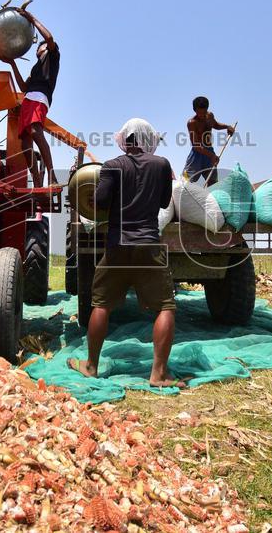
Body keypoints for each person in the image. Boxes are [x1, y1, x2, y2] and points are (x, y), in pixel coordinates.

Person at [67, 118, 183, 387]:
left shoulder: (111, 166)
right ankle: (158, 373)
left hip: (117, 245)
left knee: (101, 305)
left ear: (126, 140)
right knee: (165, 307)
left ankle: (91, 366)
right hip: (149, 246)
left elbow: (101, 201)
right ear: (147, 139)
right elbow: (165, 201)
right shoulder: (162, 165)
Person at [5, 8, 60, 187]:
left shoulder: (52, 56)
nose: (40, 48)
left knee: (36, 132)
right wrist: (12, 63)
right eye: (39, 47)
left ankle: (52, 176)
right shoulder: (36, 68)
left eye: (41, 46)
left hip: (40, 98)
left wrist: (31, 18)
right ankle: (36, 180)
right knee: (24, 144)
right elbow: (23, 87)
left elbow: (49, 38)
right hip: (29, 98)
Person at [185, 96, 235, 185]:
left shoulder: (210, 116)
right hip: (197, 155)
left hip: (209, 151)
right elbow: (196, 146)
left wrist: (227, 127)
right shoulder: (192, 123)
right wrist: (212, 156)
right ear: (194, 110)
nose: (201, 115)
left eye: (204, 112)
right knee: (186, 182)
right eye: (199, 112)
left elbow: (215, 125)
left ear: (207, 109)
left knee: (213, 183)